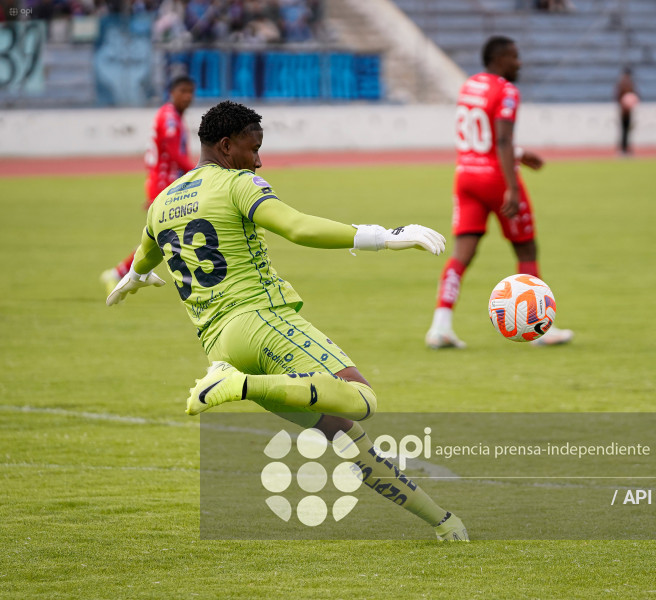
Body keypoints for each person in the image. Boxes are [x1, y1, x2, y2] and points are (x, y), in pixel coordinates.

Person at [105, 101, 469, 542]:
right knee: (362, 399)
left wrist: (135, 278)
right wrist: (383, 236)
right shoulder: (237, 184)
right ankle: (238, 387)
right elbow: (296, 227)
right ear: (225, 146)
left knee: (346, 437)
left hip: (220, 346)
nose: (258, 160)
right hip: (260, 322)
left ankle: (443, 523)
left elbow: (145, 255)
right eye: (252, 148)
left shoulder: (161, 204)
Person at [425, 35, 574, 349]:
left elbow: (482, 136)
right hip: (496, 178)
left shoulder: (470, 85)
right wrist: (512, 186)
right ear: (500, 58)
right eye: (515, 57)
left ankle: (440, 326)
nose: (519, 63)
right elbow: (502, 140)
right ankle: (540, 329)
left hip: (465, 175)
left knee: (461, 255)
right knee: (526, 250)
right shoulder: (506, 90)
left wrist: (519, 152)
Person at [101, 75, 196, 295]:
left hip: (166, 183)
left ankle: (123, 273)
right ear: (172, 92)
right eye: (183, 91)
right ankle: (122, 273)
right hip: (165, 183)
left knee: (168, 235)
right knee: (170, 235)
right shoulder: (171, 118)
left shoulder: (171, 115)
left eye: (191, 92)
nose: (188, 97)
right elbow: (174, 153)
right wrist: (199, 172)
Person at [615, 66, 638, 155]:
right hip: (624, 111)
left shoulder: (629, 84)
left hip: (629, 111)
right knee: (624, 130)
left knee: (628, 130)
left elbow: (634, 95)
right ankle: (623, 149)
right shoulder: (623, 84)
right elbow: (618, 97)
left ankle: (626, 148)